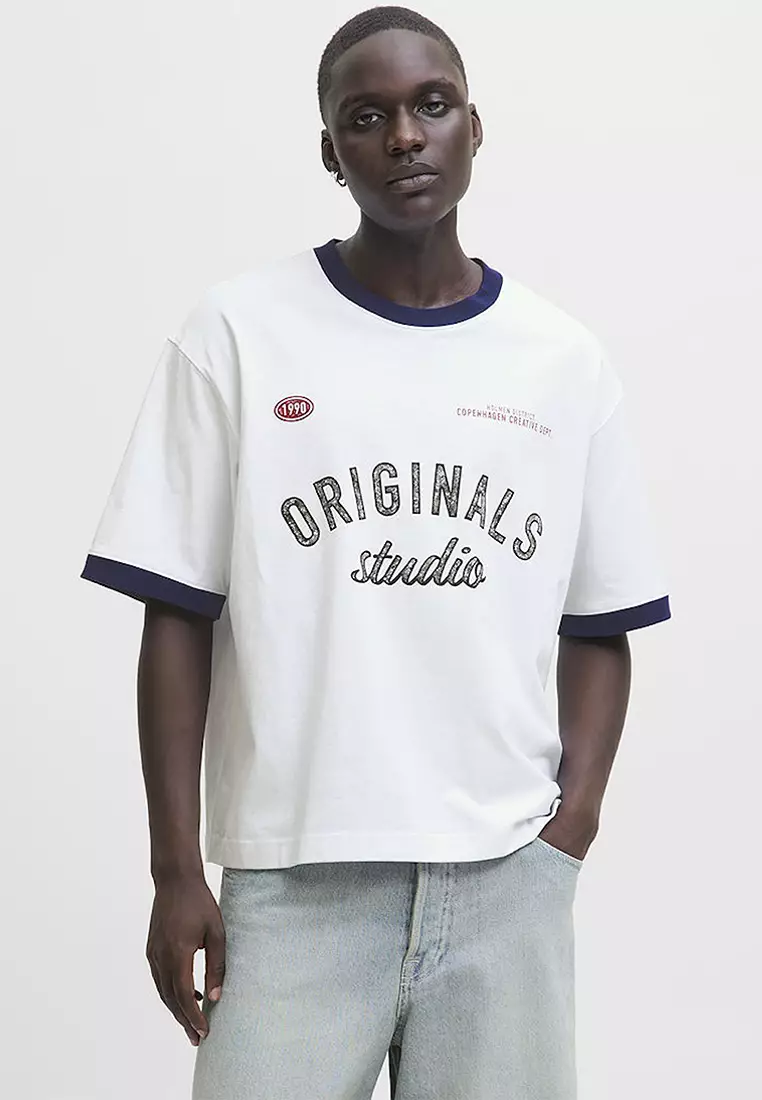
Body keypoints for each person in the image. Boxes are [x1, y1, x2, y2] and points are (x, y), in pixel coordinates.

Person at [81, 6, 671, 1098]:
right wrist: (173, 869)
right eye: (367, 117)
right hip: (294, 883)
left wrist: (569, 829)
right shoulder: (238, 334)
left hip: (504, 881)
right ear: (330, 150)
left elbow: (601, 622)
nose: (404, 136)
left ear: (473, 127)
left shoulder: (562, 362)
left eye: (431, 106)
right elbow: (178, 612)